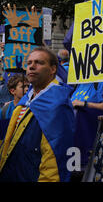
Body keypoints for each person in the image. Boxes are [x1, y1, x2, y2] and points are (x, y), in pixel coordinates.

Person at [0, 47, 75, 182]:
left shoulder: (58, 105)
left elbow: (54, 159)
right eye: (29, 63)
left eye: (39, 62)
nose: (32, 67)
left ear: (53, 69)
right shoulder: (26, 100)